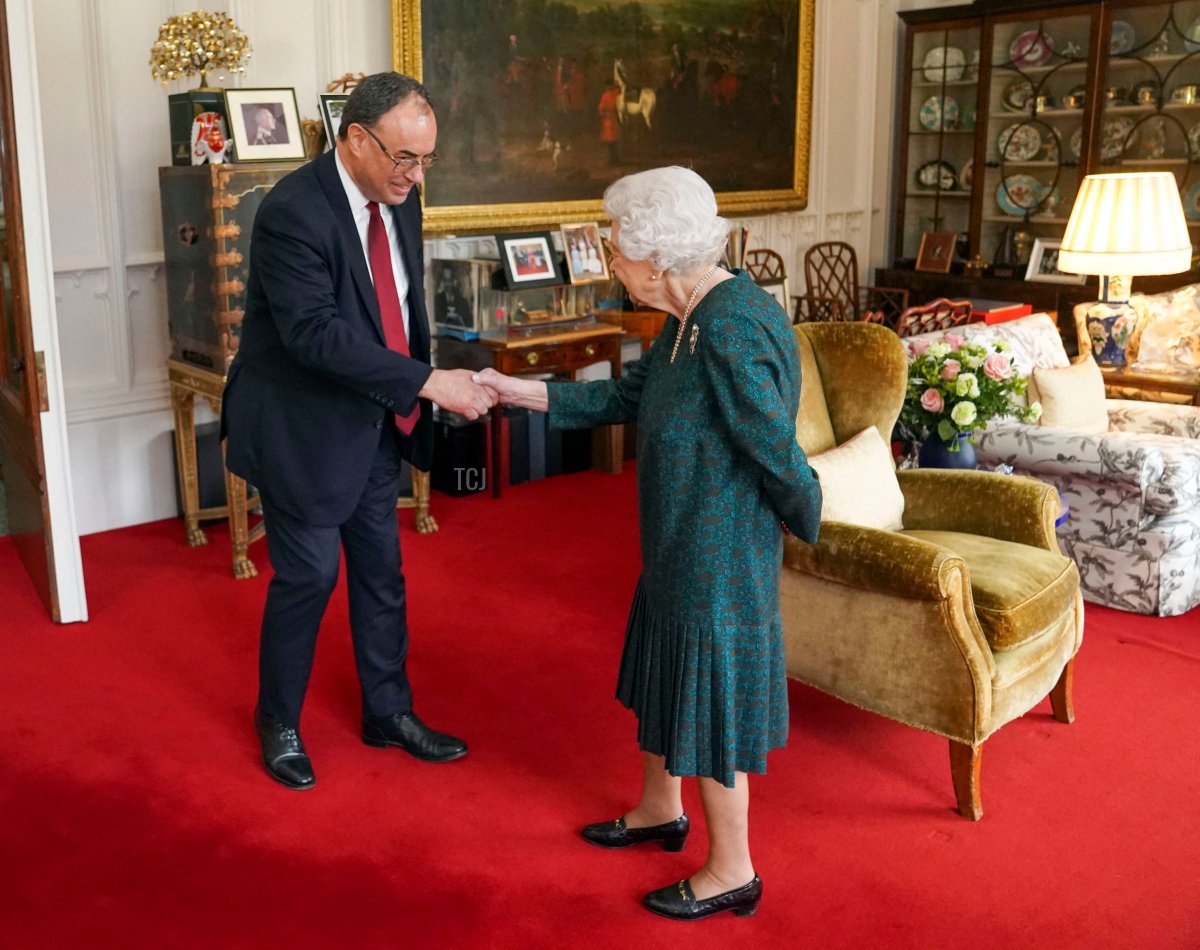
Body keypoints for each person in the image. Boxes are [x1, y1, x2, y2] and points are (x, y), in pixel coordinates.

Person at [473, 167, 821, 921]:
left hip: (720, 553)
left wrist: (809, 518)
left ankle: (733, 870)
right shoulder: (687, 319)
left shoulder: (731, 325)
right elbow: (624, 398)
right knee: (670, 672)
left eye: (613, 245)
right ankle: (660, 807)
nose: (607, 257)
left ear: (656, 259)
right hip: (679, 538)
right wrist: (514, 389)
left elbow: (774, 448)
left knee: (714, 703)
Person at [222, 72, 496, 791]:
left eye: (427, 159)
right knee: (310, 576)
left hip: (377, 418)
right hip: (302, 426)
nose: (416, 174)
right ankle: (277, 720)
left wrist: (414, 387)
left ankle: (388, 712)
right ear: (355, 139)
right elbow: (315, 334)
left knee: (382, 574)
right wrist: (427, 382)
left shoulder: (400, 196)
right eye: (404, 158)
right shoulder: (291, 212)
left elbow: (401, 307)